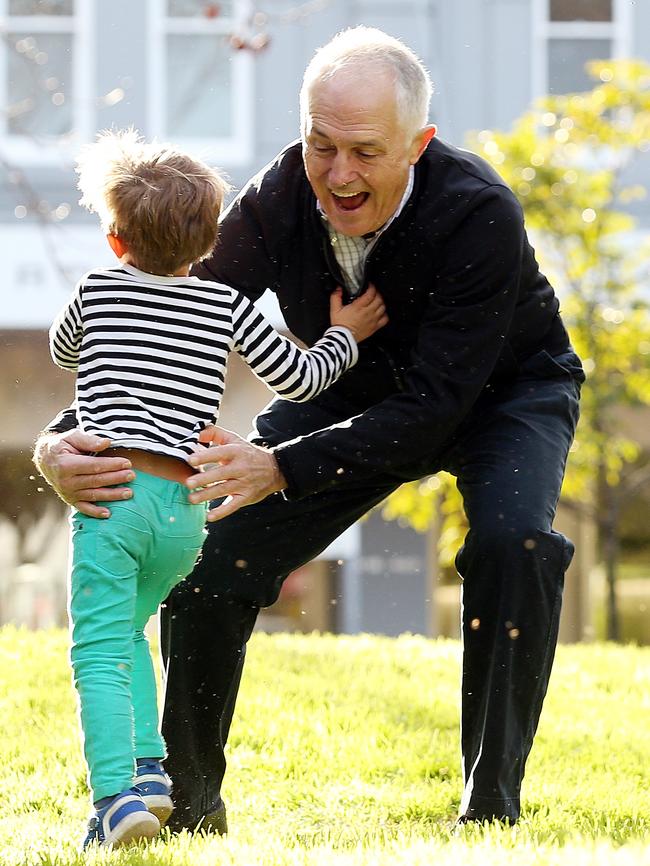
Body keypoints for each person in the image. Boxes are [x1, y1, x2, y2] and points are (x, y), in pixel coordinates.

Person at [35, 27, 584, 831]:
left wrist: (281, 465)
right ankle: (186, 801)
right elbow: (158, 322)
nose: (337, 173)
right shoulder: (277, 198)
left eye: (364, 151)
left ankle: (491, 805)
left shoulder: (479, 212)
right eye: (319, 145)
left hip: (501, 393)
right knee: (210, 539)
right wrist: (60, 441)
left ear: (417, 144)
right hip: (346, 388)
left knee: (515, 544)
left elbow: (435, 406)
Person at [47, 128, 387, 848]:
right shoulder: (224, 306)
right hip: (183, 516)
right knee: (129, 634)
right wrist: (344, 335)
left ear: (116, 240)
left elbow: (60, 349)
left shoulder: (98, 287)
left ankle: (114, 801)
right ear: (205, 245)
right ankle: (147, 773)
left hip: (115, 497)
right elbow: (301, 377)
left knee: (95, 647)